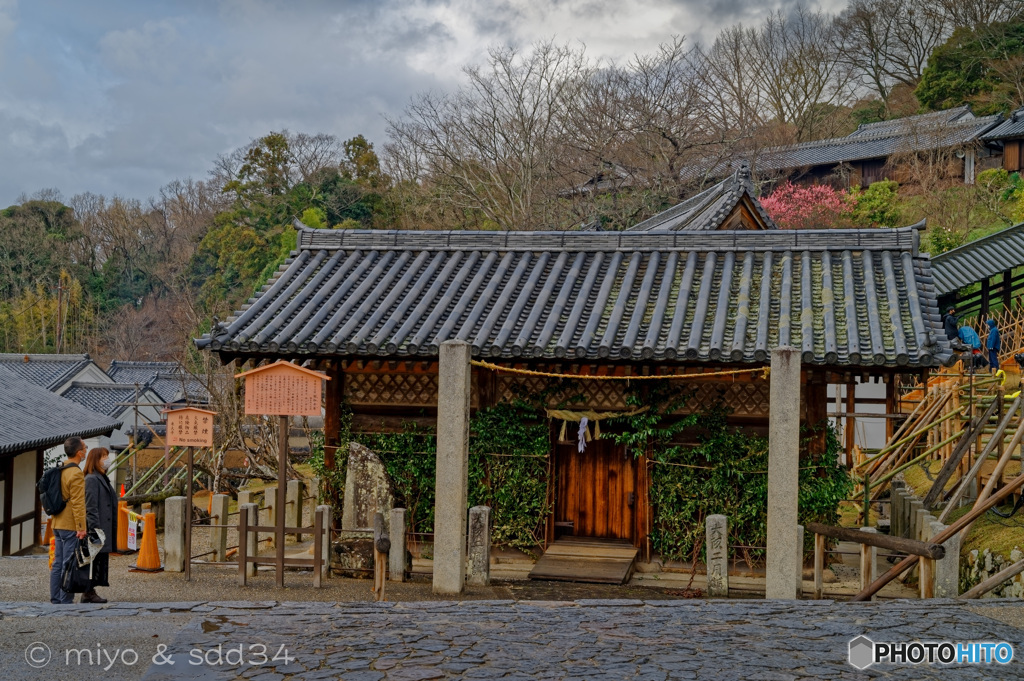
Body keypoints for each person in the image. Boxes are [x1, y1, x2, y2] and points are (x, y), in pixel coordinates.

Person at [49, 437, 88, 604]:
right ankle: (66, 599)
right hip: (70, 524)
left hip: (57, 522)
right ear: (79, 452)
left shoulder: (61, 468)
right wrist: (81, 527)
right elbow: (78, 503)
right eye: (85, 448)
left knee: (58, 562)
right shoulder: (76, 473)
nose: (86, 450)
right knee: (68, 563)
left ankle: (55, 597)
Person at [83, 447, 117, 604]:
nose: (106, 459)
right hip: (98, 528)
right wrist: (95, 530)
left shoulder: (102, 478)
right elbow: (91, 507)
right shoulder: (91, 479)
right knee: (93, 562)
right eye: (103, 456)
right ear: (95, 460)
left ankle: (90, 591)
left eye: (107, 456)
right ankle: (88, 591)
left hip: (104, 526)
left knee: (98, 561)